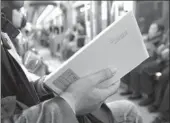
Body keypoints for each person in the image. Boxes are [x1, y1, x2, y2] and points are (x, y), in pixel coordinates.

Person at [1, 1, 143, 123]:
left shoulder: (4, 32)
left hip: (31, 106)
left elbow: (12, 94)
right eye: (19, 11)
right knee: (129, 111)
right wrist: (71, 102)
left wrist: (44, 85)